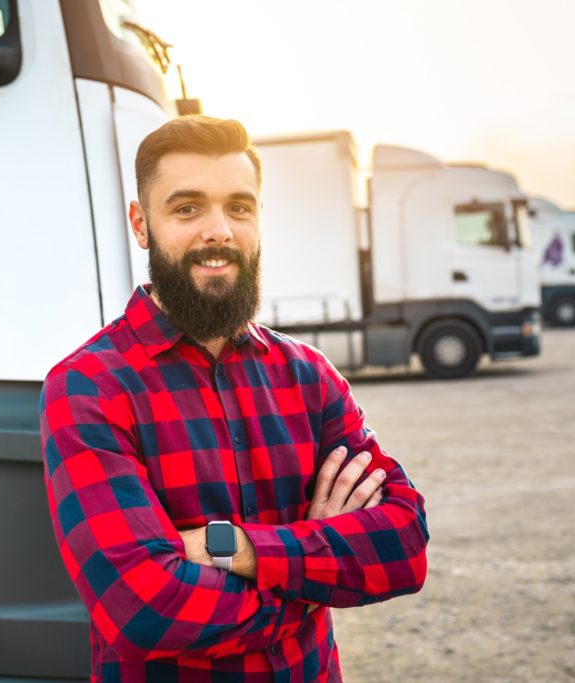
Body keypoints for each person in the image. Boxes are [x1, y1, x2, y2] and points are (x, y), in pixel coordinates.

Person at [39, 116, 428, 682]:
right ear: (141, 224)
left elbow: (404, 544)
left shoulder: (308, 376)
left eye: (239, 207)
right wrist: (313, 576)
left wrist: (236, 549)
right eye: (187, 208)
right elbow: (143, 609)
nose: (218, 230)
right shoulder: (89, 387)